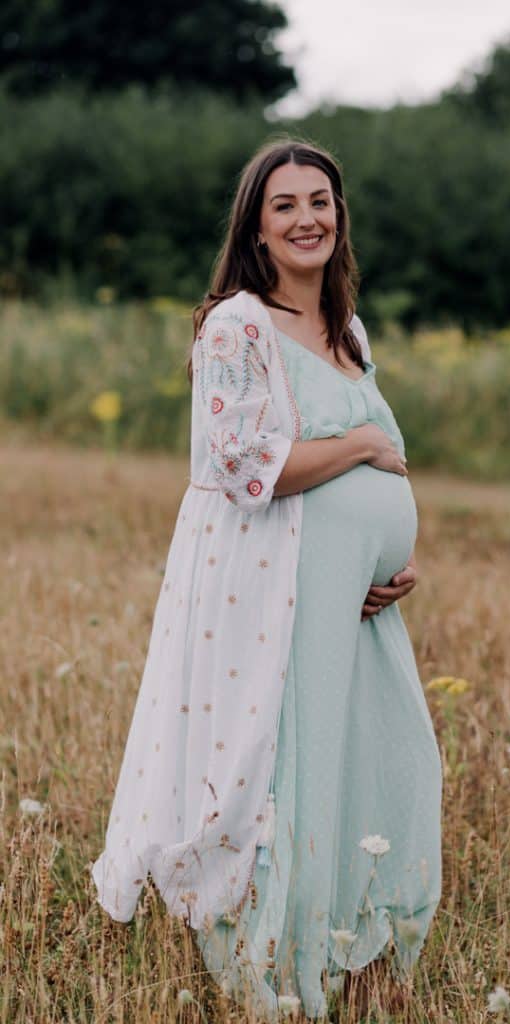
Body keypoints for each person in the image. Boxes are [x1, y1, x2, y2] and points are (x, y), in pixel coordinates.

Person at [90, 136, 442, 1021]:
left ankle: (353, 932)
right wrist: (360, 449)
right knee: (290, 759)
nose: (305, 218)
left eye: (319, 201)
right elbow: (243, 463)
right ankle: (279, 947)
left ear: (339, 215)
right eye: (283, 205)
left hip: (356, 601)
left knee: (383, 748)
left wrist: (397, 555)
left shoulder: (349, 331)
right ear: (255, 225)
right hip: (275, 590)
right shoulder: (237, 324)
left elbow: (387, 459)